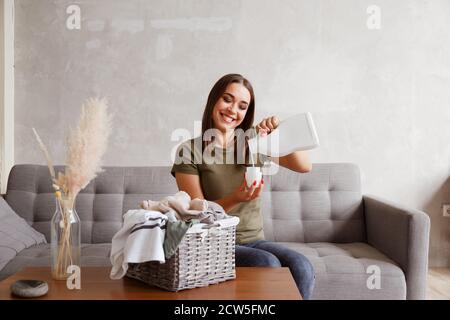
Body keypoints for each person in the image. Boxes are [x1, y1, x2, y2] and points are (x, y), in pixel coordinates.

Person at [170, 73, 315, 299]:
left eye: (242, 106)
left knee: (302, 266)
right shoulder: (188, 151)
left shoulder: (255, 141)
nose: (232, 110)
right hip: (212, 241)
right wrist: (236, 198)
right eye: (227, 99)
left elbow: (305, 166)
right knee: (266, 263)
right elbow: (197, 214)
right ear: (214, 100)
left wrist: (280, 134)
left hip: (255, 240)